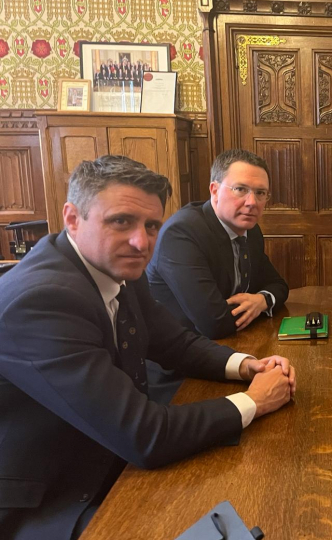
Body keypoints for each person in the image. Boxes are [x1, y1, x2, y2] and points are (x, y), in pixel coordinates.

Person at [0, 156, 297, 540]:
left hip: (111, 458)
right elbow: (144, 435)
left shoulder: (115, 266)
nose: (142, 242)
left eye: (151, 225)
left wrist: (245, 366)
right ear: (72, 218)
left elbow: (174, 343)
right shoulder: (43, 299)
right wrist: (254, 402)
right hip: (51, 500)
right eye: (121, 221)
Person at [147, 149, 288, 340]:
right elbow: (214, 323)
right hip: (181, 360)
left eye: (260, 193)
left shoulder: (251, 230)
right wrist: (253, 307)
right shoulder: (181, 233)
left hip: (232, 344)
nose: (252, 202)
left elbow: (279, 285)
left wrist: (261, 300)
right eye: (240, 189)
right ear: (214, 191)